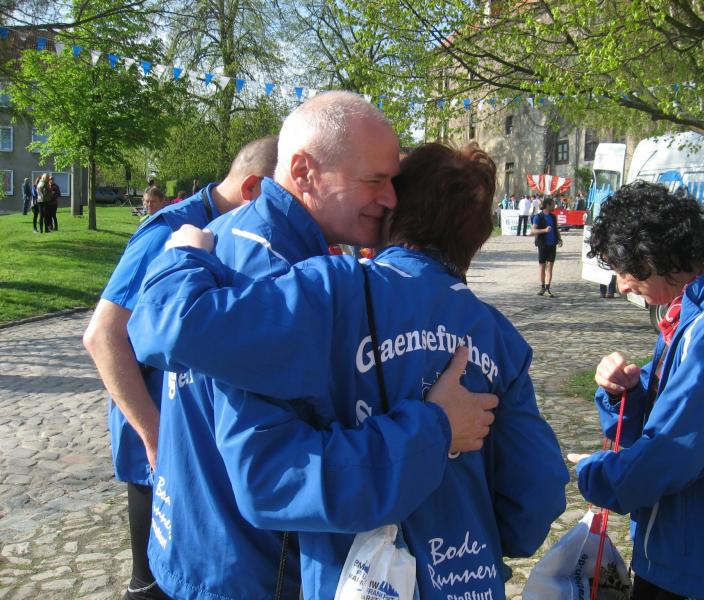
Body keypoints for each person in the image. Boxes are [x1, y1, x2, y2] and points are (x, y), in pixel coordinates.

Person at [128, 141, 569, 599]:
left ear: (392, 214)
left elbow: (174, 325)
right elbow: (534, 499)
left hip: (351, 580)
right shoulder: (500, 339)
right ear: (477, 239)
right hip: (468, 580)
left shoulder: (333, 290)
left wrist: (184, 255)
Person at [82, 135, 280, 600]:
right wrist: (155, 438)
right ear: (252, 188)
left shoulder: (230, 229)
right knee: (152, 586)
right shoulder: (167, 230)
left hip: (190, 445)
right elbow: (103, 336)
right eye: (278, 202)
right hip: (155, 443)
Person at [569, 181, 704, 600]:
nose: (621, 286)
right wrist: (624, 391)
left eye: (622, 270)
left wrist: (595, 471)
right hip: (678, 555)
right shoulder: (688, 319)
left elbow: (670, 452)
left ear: (650, 257)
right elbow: (658, 420)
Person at [531, 197, 562, 296]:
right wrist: (544, 230)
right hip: (542, 244)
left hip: (552, 244)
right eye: (553, 204)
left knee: (550, 267)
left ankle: (548, 288)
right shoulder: (538, 217)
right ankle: (542, 287)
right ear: (548, 205)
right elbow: (533, 231)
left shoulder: (553, 217)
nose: (554, 206)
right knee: (542, 266)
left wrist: (559, 238)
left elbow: (556, 229)